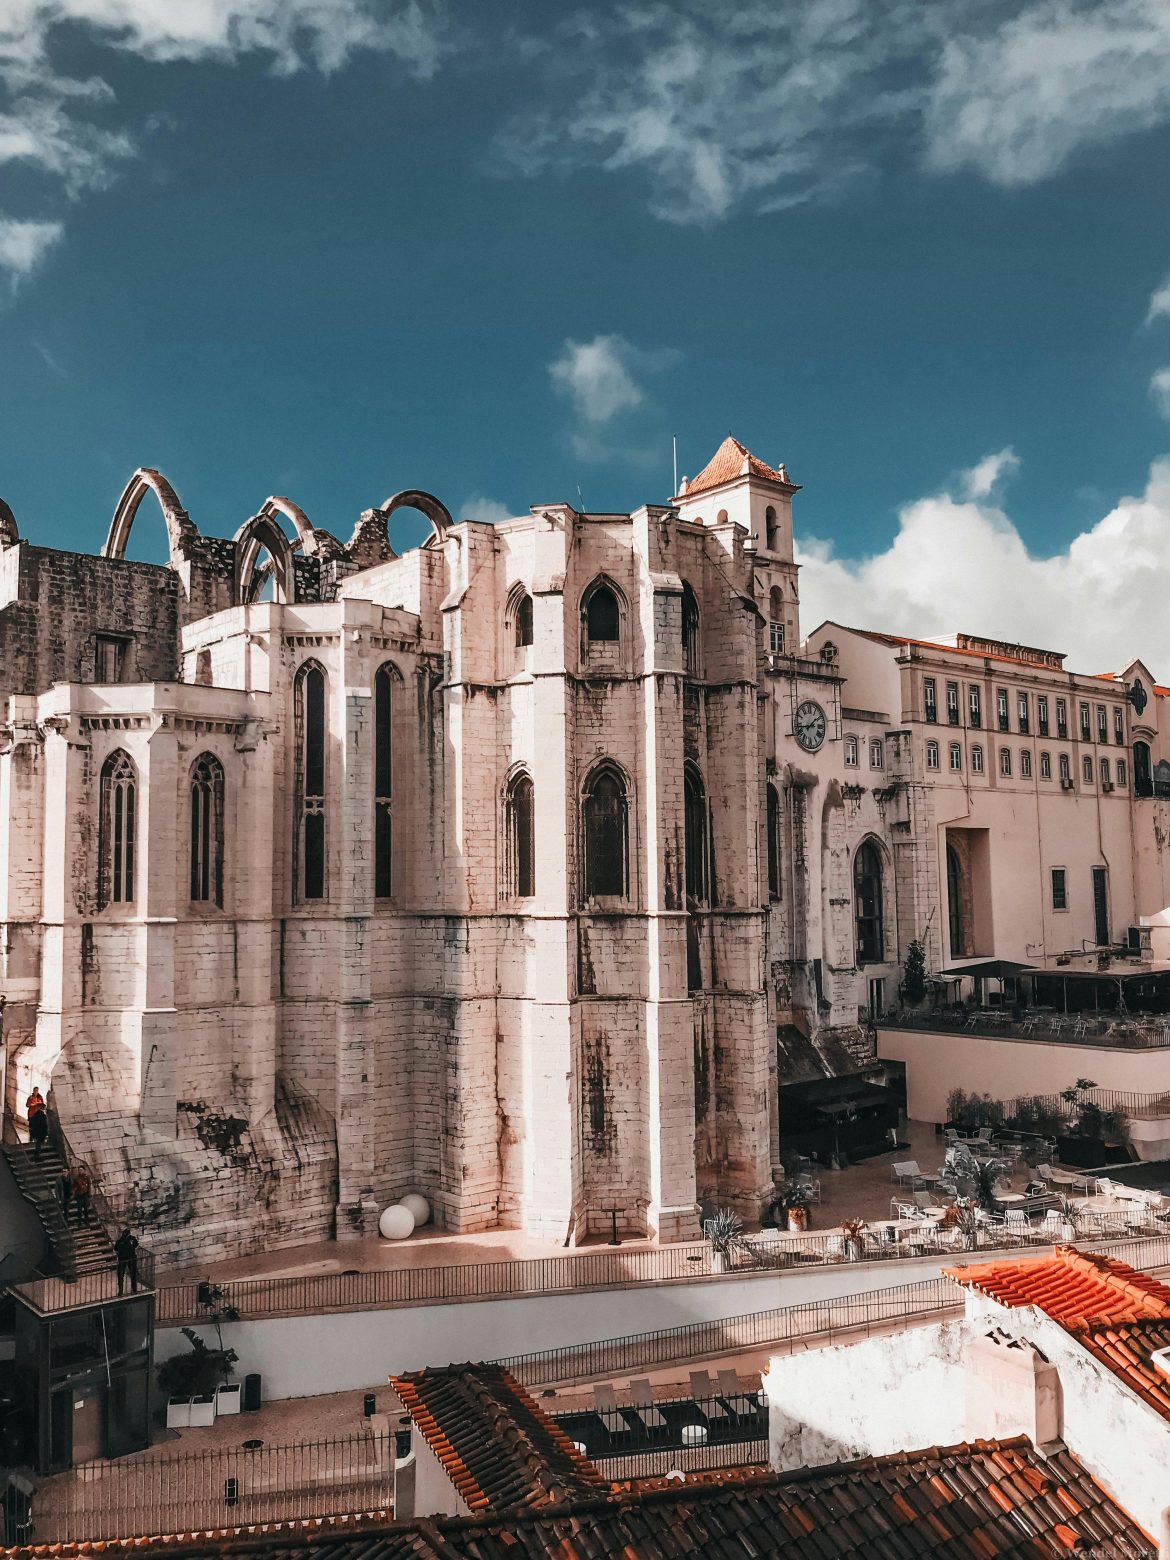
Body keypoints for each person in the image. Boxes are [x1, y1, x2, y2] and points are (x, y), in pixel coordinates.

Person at [114, 1227, 140, 1295]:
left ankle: (134, 1290)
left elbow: (136, 1245)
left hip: (131, 1258)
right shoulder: (120, 1241)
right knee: (120, 1275)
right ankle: (121, 1291)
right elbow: (116, 1249)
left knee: (133, 1274)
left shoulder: (132, 1239)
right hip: (122, 1260)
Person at [26, 1088, 47, 1161]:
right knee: (38, 1143)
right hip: (32, 1114)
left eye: (37, 1090)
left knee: (38, 1143)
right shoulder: (31, 1097)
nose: (36, 1092)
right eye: (35, 1090)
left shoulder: (39, 1097)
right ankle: (36, 1155)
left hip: (39, 1130)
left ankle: (36, 1154)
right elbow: (28, 1104)